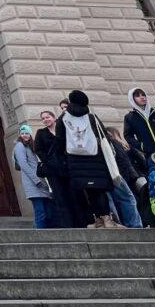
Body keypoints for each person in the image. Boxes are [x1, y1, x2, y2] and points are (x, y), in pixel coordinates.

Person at [53, 90, 122, 229]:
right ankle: (107, 219)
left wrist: (61, 159)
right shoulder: (92, 117)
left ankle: (97, 220)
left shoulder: (63, 119)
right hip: (95, 158)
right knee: (100, 189)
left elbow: (59, 141)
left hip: (75, 160)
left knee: (87, 191)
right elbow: (103, 136)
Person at [35, 110, 77, 227]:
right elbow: (38, 150)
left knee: (73, 195)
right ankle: (66, 223)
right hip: (53, 170)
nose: (45, 120)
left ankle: (78, 221)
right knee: (60, 197)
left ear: (54, 118)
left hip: (67, 168)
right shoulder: (41, 133)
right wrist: (49, 161)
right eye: (43, 118)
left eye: (47, 117)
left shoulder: (62, 131)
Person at [104, 126, 145, 228]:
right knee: (130, 200)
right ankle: (136, 225)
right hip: (127, 177)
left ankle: (121, 223)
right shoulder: (123, 146)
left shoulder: (113, 145)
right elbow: (139, 162)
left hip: (120, 176)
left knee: (119, 201)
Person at [13, 124, 52, 228]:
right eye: (22, 133)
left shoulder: (30, 146)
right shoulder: (20, 146)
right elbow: (23, 164)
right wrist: (36, 181)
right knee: (40, 211)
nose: (25, 135)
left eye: (27, 133)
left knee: (48, 211)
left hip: (41, 181)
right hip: (33, 183)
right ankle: (41, 233)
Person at [124, 87, 155, 157]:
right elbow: (128, 136)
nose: (142, 97)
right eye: (137, 96)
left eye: (143, 95)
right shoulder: (130, 117)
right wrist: (141, 146)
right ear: (132, 99)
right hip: (149, 154)